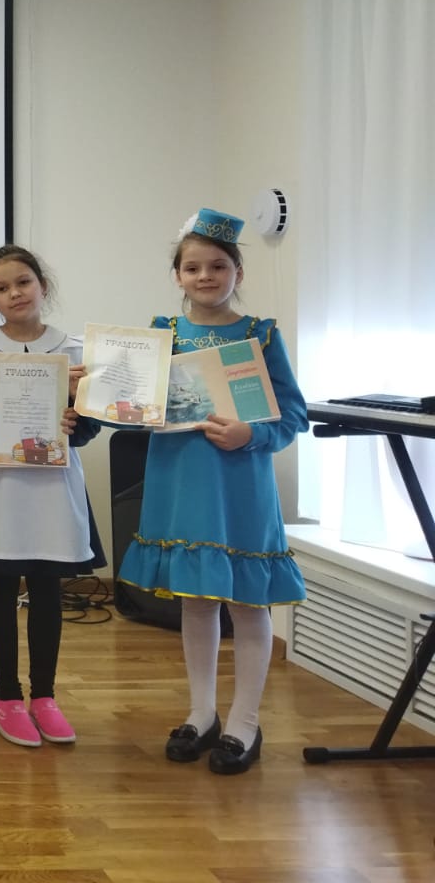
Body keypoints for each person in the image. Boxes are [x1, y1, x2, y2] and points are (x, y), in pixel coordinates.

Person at [117, 207, 307, 775]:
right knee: (196, 601)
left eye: (218, 266)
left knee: (247, 603)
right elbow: (131, 409)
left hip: (240, 487)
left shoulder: (260, 335)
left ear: (237, 273)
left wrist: (252, 434)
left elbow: (293, 415)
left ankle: (245, 722)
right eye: (193, 267)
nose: (205, 276)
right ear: (178, 275)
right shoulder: (163, 335)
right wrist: (98, 388)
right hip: (180, 484)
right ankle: (202, 713)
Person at [0, 245, 104, 748]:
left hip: (54, 486)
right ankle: (7, 698)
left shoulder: (77, 352)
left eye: (23, 282)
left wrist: (75, 420)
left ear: (42, 285)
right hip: (2, 485)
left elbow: (90, 428)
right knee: (1, 584)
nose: (14, 293)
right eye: (1, 288)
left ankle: (45, 696)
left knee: (46, 587)